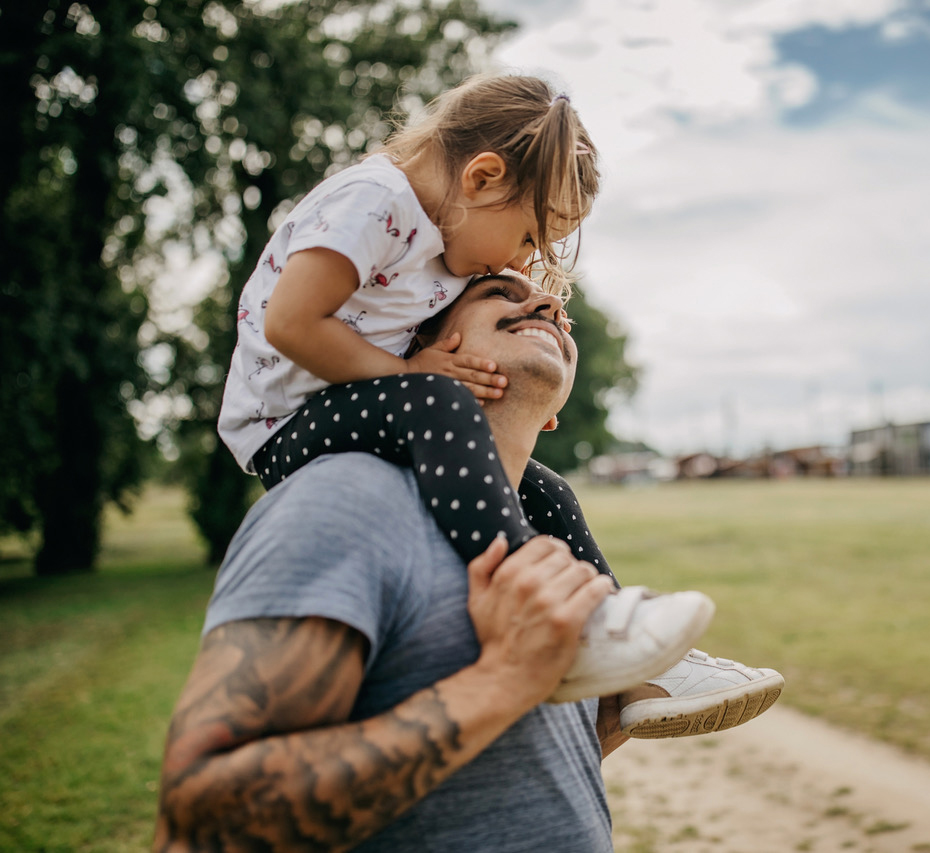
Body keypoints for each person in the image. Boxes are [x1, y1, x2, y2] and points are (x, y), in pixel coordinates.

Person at [154, 274, 780, 851]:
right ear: (421, 345)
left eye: (557, 311)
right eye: (499, 294)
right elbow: (201, 827)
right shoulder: (344, 502)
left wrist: (599, 714)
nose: (547, 305)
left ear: (556, 409)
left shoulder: (544, 530)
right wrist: (503, 680)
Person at [215, 73, 712, 701]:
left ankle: (620, 644)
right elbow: (290, 323)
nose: (524, 263)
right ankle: (532, 598)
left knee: (547, 489)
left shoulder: (443, 239)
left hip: (362, 405)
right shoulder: (373, 201)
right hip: (286, 424)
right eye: (530, 237)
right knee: (437, 399)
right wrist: (409, 375)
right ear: (481, 178)